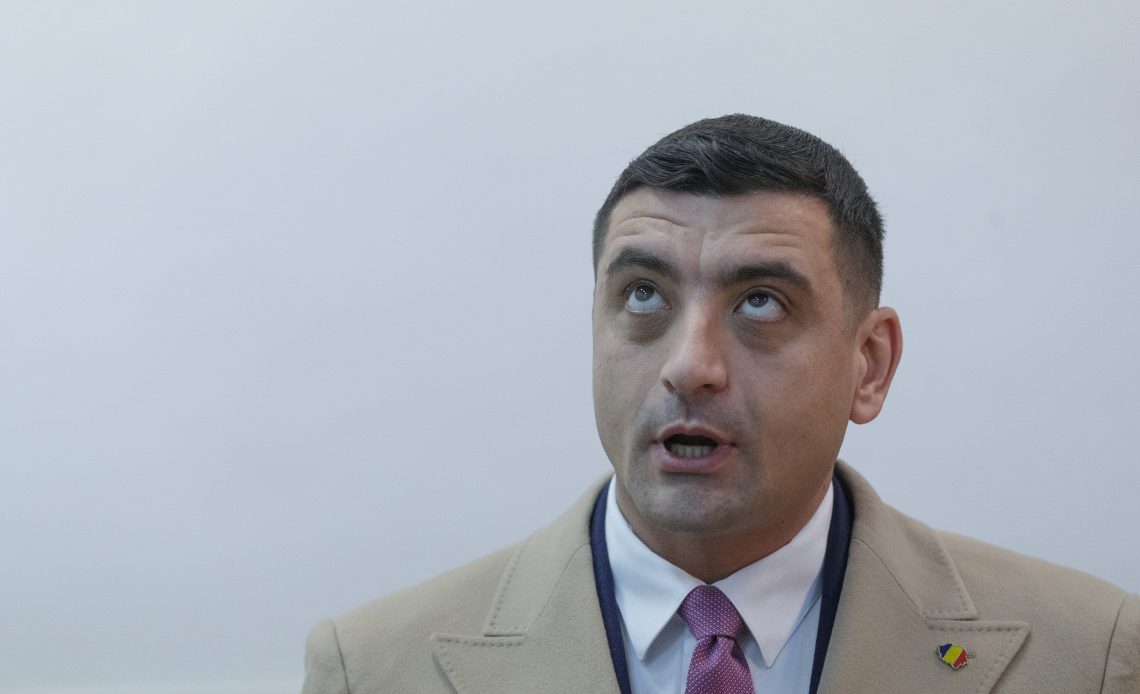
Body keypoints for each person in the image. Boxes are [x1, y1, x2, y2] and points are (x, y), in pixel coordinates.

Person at [301, 115, 1138, 693]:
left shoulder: (1087, 657)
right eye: (643, 296)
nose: (689, 367)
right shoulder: (372, 668)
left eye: (760, 303)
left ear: (869, 365)